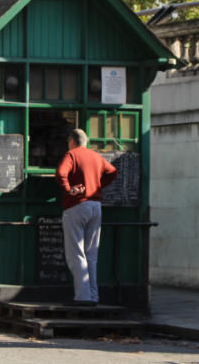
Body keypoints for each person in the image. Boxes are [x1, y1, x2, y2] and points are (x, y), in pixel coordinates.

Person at [55, 128, 118, 305]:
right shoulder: (96, 156)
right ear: (86, 141)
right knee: (91, 254)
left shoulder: (72, 155)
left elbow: (60, 173)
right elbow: (113, 172)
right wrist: (98, 186)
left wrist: (69, 190)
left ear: (72, 142)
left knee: (76, 253)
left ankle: (82, 297)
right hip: (96, 206)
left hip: (76, 205)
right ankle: (93, 295)